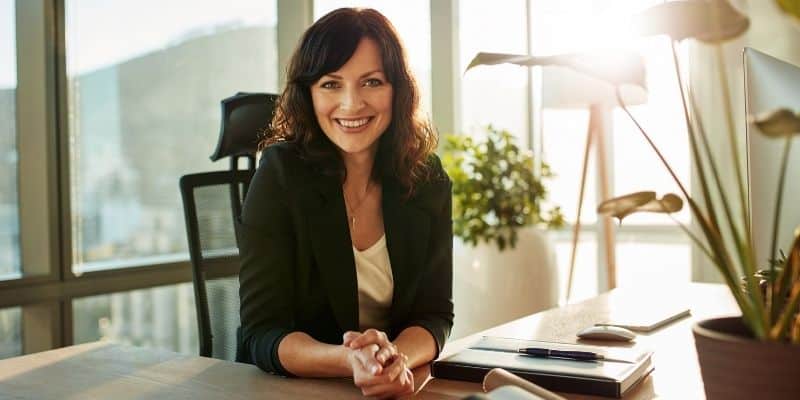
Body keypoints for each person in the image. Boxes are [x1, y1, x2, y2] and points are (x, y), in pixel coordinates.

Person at [236, 7, 453, 398]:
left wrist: (392, 360)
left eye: (371, 82)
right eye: (331, 84)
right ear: (309, 94)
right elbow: (262, 333)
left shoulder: (427, 180)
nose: (352, 105)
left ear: (397, 89)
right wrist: (351, 360)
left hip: (394, 389)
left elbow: (434, 315)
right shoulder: (281, 174)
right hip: (295, 390)